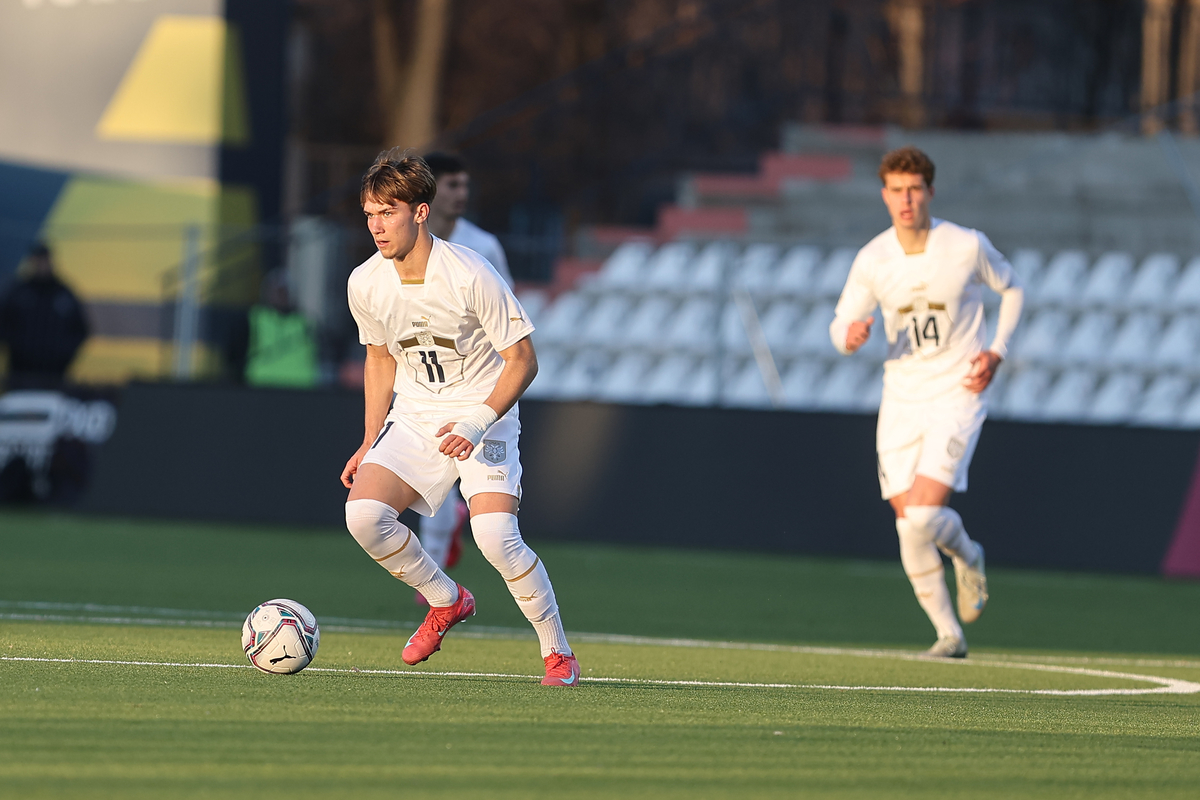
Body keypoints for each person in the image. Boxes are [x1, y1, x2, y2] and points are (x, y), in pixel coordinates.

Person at [340, 149, 579, 686]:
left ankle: (557, 653)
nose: (377, 226)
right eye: (370, 214)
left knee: (495, 536)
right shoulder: (365, 282)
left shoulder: (470, 270)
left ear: (420, 212)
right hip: (417, 415)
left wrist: (475, 423)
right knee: (363, 516)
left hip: (483, 412)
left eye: (389, 212)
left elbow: (523, 360)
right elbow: (379, 358)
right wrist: (368, 441)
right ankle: (446, 600)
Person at [829, 146, 1024, 658]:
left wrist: (996, 352)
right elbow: (839, 323)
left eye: (915, 188)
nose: (906, 199)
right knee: (906, 524)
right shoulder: (873, 259)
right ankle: (949, 634)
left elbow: (1014, 289)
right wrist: (848, 336)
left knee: (921, 516)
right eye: (896, 190)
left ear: (930, 192)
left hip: (957, 391)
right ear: (884, 195)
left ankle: (970, 557)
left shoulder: (964, 245)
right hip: (901, 397)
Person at [409, 152, 515, 586]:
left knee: (480, 502)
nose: (461, 195)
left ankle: (444, 546)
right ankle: (434, 565)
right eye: (452, 185)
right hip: (424, 375)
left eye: (465, 186)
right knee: (424, 482)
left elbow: (509, 316)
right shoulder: (404, 243)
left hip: (475, 382)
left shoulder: (484, 245)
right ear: (428, 196)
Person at [0, 242, 89, 390]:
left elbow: (81, 331)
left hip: (54, 376)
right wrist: (17, 347)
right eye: (37, 260)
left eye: (44, 260)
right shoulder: (19, 293)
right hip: (20, 373)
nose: (41, 264)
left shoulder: (63, 294)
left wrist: (63, 356)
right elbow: (4, 325)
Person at [244, 269, 319, 388]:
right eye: (277, 291)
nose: (281, 296)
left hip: (300, 389)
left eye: (285, 292)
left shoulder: (306, 323)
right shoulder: (255, 319)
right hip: (262, 387)